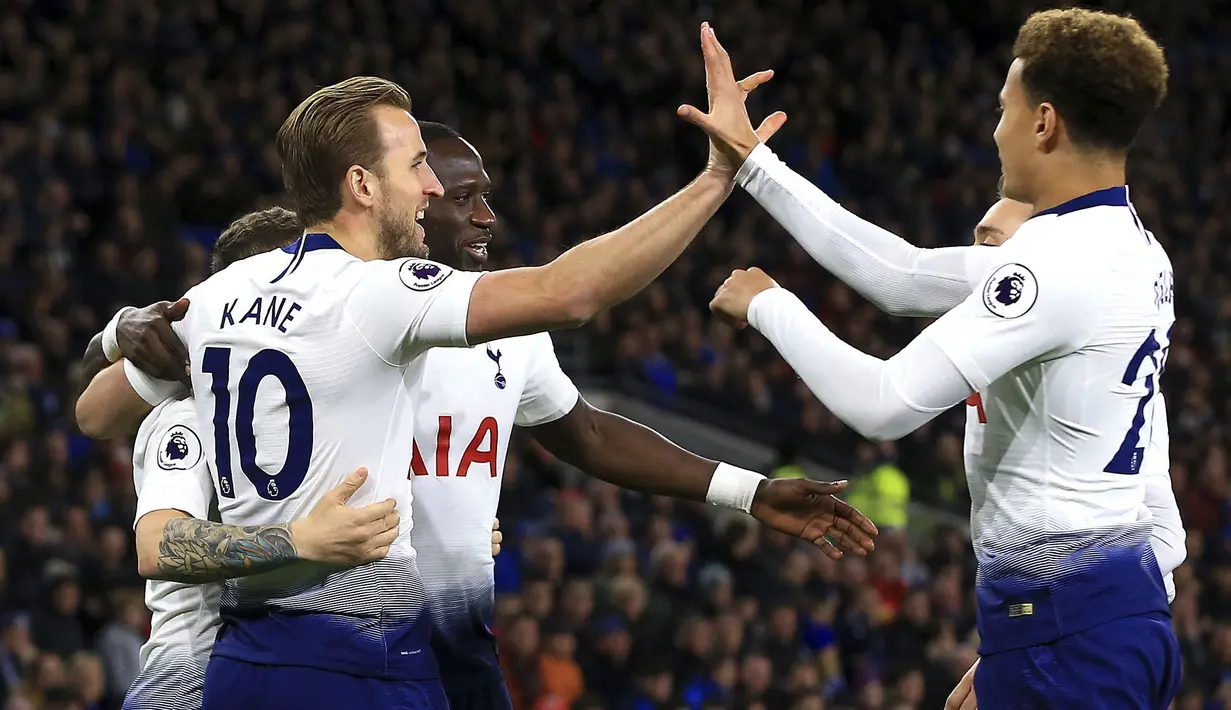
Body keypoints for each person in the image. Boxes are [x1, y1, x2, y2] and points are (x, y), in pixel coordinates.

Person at [73, 53, 865, 709]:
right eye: (417, 166)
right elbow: (572, 291)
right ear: (361, 184)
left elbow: (96, 411)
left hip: (298, 656)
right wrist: (716, 178)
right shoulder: (380, 293)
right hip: (352, 659)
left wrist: (124, 335)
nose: (431, 189)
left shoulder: (217, 299)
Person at [685, 10, 1181, 708]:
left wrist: (769, 304)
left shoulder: (1060, 264)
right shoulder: (1134, 250)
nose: (993, 130)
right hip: (1097, 626)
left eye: (1002, 110)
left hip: (1070, 643)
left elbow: (881, 404)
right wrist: (753, 164)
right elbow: (902, 274)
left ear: (1043, 123)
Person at [407, 120, 877, 710]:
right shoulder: (354, 309)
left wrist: (749, 492)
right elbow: (573, 295)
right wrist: (715, 179)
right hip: (345, 644)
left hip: (459, 651)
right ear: (410, 200)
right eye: (462, 199)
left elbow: (592, 434)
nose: (486, 217)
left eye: (486, 197)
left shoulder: (509, 330)